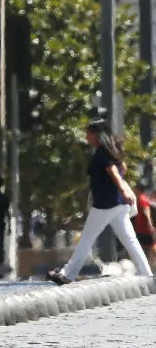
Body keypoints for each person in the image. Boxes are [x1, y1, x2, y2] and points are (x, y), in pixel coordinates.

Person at [48, 117, 152, 285]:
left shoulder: (103, 152)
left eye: (89, 134)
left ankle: (68, 274)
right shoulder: (113, 149)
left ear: (97, 134)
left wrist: (123, 189)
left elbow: (115, 172)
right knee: (130, 241)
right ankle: (147, 275)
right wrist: (123, 191)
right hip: (118, 205)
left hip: (105, 204)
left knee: (86, 239)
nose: (87, 138)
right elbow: (122, 168)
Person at [134, 182, 156, 259]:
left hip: (145, 229)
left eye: (135, 188)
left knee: (152, 246)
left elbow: (146, 211)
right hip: (141, 229)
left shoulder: (142, 198)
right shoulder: (141, 197)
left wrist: (149, 224)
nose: (134, 190)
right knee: (148, 246)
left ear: (138, 189)